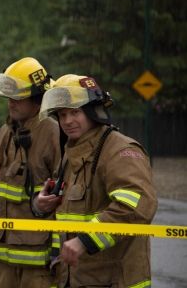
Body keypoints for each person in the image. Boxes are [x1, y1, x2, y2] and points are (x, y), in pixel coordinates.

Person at [34, 74, 158, 288]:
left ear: (94, 111)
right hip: (74, 278)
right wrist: (40, 204)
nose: (67, 121)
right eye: (62, 115)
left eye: (75, 112)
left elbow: (137, 207)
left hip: (115, 280)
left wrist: (85, 240)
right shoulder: (70, 153)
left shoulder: (120, 150)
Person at [0, 57, 61, 288]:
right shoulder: (6, 131)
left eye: (18, 97)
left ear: (37, 98)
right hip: (4, 256)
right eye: (8, 97)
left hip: (39, 263)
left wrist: (58, 248)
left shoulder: (53, 133)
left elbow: (64, 199)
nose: (10, 103)